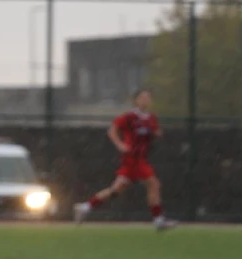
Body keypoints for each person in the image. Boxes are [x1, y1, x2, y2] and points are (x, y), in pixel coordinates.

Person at [74, 90, 178, 231]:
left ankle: (85, 207)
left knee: (116, 190)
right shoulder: (130, 117)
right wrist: (120, 144)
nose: (145, 100)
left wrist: (156, 134)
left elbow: (154, 132)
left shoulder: (151, 118)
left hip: (140, 158)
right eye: (142, 97)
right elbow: (112, 130)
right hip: (132, 158)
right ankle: (158, 220)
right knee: (154, 184)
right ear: (136, 101)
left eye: (148, 98)